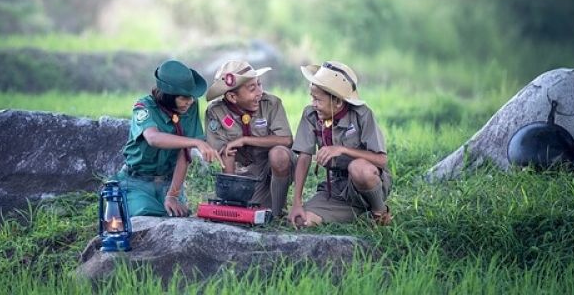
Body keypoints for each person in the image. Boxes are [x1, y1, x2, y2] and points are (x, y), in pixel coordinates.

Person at [288, 61, 392, 227]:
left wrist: (342, 149)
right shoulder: (311, 115)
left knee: (358, 168)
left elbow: (381, 160)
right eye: (312, 98)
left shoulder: (362, 115)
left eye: (318, 100)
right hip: (337, 189)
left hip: (367, 182)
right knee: (301, 221)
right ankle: (353, 213)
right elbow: (304, 156)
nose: (313, 104)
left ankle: (379, 213)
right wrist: (297, 203)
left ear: (337, 101)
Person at [112, 59, 221, 218]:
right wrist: (196, 141)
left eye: (191, 97)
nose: (189, 102)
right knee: (145, 214)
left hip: (168, 184)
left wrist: (173, 195)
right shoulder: (144, 106)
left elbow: (184, 155)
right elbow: (153, 138)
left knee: (178, 216)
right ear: (168, 96)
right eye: (184, 97)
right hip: (137, 183)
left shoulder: (189, 106)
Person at [204, 60, 294, 217]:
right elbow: (223, 152)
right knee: (243, 210)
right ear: (232, 96)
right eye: (252, 88)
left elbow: (286, 140)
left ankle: (279, 212)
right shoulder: (216, 111)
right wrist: (230, 197)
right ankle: (236, 202)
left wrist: (246, 140)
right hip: (244, 175)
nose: (259, 92)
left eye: (259, 84)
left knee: (279, 154)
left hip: (269, 168)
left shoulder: (271, 103)